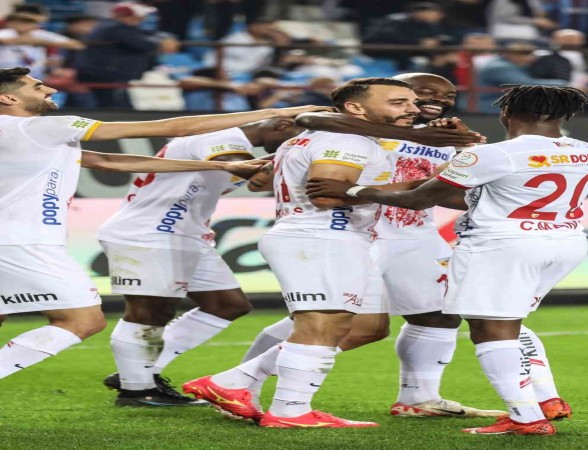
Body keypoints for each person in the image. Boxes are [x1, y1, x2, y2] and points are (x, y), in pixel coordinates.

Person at [230, 73, 572, 421]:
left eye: (447, 95)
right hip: (356, 231)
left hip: (414, 234)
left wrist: (467, 167)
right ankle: (243, 384)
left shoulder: (450, 138)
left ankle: (419, 397)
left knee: (441, 313)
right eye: (420, 93)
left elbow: (455, 194)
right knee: (339, 321)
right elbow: (309, 122)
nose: (435, 100)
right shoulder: (353, 128)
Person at [305, 85, 588, 436]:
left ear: (507, 113)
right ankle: (547, 399)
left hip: (503, 245)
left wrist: (353, 191)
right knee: (512, 321)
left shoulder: (492, 154)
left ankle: (526, 419)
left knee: (493, 330)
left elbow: (420, 199)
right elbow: (489, 191)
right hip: (565, 242)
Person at [0, 66, 331, 381]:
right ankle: (136, 383)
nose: (50, 88)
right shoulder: (42, 128)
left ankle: (140, 380)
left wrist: (217, 167)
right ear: (8, 97)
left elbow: (106, 160)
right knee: (83, 320)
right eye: (37, 86)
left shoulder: (26, 135)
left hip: (16, 237)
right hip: (24, 240)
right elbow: (178, 127)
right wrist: (279, 111)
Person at [182, 77, 424, 429]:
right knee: (323, 323)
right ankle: (290, 411)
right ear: (355, 107)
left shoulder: (323, 137)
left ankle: (234, 382)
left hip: (333, 237)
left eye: (412, 102)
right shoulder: (347, 140)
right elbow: (326, 196)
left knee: (365, 326)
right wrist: (418, 186)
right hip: (322, 236)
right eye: (398, 102)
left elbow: (260, 181)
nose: (413, 109)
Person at [95, 118, 305, 407]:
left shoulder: (239, 147)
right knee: (149, 309)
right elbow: (239, 165)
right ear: (281, 124)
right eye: (296, 136)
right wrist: (303, 157)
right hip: (148, 232)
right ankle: (136, 390)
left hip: (186, 233)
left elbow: (257, 182)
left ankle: (138, 371)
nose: (295, 143)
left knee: (227, 304)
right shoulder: (221, 135)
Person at [74, 2, 179, 108]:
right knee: (112, 106)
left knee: (117, 104)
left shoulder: (122, 27)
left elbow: (149, 34)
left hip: (110, 74)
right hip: (105, 74)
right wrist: (161, 43)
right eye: (138, 16)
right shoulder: (114, 28)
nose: (142, 19)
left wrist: (166, 37)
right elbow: (144, 44)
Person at [478, 42, 566, 112]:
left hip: (508, 102)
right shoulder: (499, 67)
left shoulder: (516, 65)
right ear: (510, 54)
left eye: (531, 54)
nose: (531, 58)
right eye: (525, 54)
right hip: (490, 105)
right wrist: (565, 84)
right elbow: (527, 84)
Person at [0, 13, 85, 80]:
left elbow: (77, 45)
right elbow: (4, 40)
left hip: (34, 76)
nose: (23, 25)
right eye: (19, 22)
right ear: (10, 23)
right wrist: (32, 41)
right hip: (6, 76)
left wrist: (40, 41)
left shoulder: (40, 34)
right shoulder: (6, 32)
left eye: (28, 22)